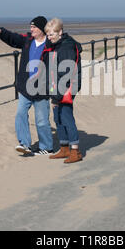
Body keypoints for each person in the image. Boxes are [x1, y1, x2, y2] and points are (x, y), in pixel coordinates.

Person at [0, 16, 53, 155]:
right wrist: (1, 32)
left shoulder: (50, 44)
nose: (31, 29)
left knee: (42, 121)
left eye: (34, 27)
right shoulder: (28, 40)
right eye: (31, 27)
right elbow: (14, 38)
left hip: (42, 89)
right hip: (25, 87)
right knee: (20, 114)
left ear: (42, 29)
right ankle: (25, 144)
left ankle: (47, 147)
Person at [40, 18, 83, 163]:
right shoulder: (55, 44)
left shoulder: (66, 47)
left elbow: (66, 74)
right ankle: (64, 148)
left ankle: (75, 151)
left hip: (68, 86)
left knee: (66, 116)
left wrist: (57, 96)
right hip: (56, 85)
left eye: (52, 34)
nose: (49, 37)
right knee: (57, 117)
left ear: (60, 32)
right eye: (48, 35)